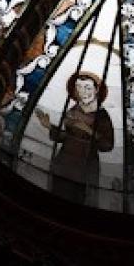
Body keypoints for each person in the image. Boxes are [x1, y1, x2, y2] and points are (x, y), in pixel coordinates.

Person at [35, 71, 114, 206]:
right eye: (79, 87)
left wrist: (88, 130)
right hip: (64, 163)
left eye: (88, 88)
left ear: (96, 90)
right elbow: (67, 137)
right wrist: (49, 127)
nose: (83, 92)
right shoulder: (72, 111)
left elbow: (107, 145)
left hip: (85, 166)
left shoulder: (102, 116)